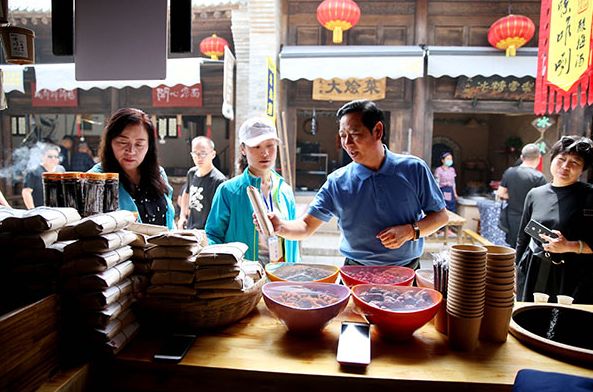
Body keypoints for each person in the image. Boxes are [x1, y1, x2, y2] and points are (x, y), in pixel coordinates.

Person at [265, 100, 448, 269]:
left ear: (377, 131)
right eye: (343, 136)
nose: (347, 143)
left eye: (354, 134)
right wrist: (280, 226)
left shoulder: (413, 169)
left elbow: (441, 216)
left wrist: (410, 231)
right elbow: (306, 226)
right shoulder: (338, 182)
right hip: (354, 272)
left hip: (406, 270)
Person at [206, 116, 299, 265]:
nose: (265, 153)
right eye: (256, 146)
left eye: (270, 145)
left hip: (281, 273)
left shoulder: (285, 190)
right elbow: (213, 235)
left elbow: (294, 238)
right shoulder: (228, 191)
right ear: (243, 149)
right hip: (243, 275)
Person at [515, 135, 593, 304]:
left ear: (583, 169)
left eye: (575, 163)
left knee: (564, 325)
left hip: (572, 277)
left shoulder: (589, 196)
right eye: (561, 159)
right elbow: (522, 239)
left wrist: (569, 246)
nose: (565, 166)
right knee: (528, 321)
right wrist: (514, 272)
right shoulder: (535, 194)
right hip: (533, 272)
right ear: (552, 159)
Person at [89, 108, 175, 229]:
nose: (131, 151)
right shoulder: (96, 180)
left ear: (149, 146)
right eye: (123, 142)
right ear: (110, 142)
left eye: (139, 144)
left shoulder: (158, 173)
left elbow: (170, 222)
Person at [497, 143, 547, 248]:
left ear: (521, 157)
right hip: (531, 219)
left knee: (513, 247)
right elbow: (544, 202)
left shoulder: (510, 172)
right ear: (539, 158)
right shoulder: (539, 177)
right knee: (527, 248)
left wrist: (514, 196)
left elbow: (501, 193)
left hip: (511, 217)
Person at [177, 136, 226, 230]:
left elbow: (221, 212)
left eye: (203, 153)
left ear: (213, 154)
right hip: (191, 228)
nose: (199, 157)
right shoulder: (192, 173)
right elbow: (186, 194)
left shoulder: (219, 181)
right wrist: (182, 216)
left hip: (208, 232)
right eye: (195, 153)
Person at [22, 144, 65, 209]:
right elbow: (26, 192)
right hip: (40, 210)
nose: (53, 159)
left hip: (58, 209)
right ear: (42, 157)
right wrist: (32, 210)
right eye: (50, 156)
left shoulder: (61, 169)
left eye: (56, 157)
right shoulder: (34, 171)